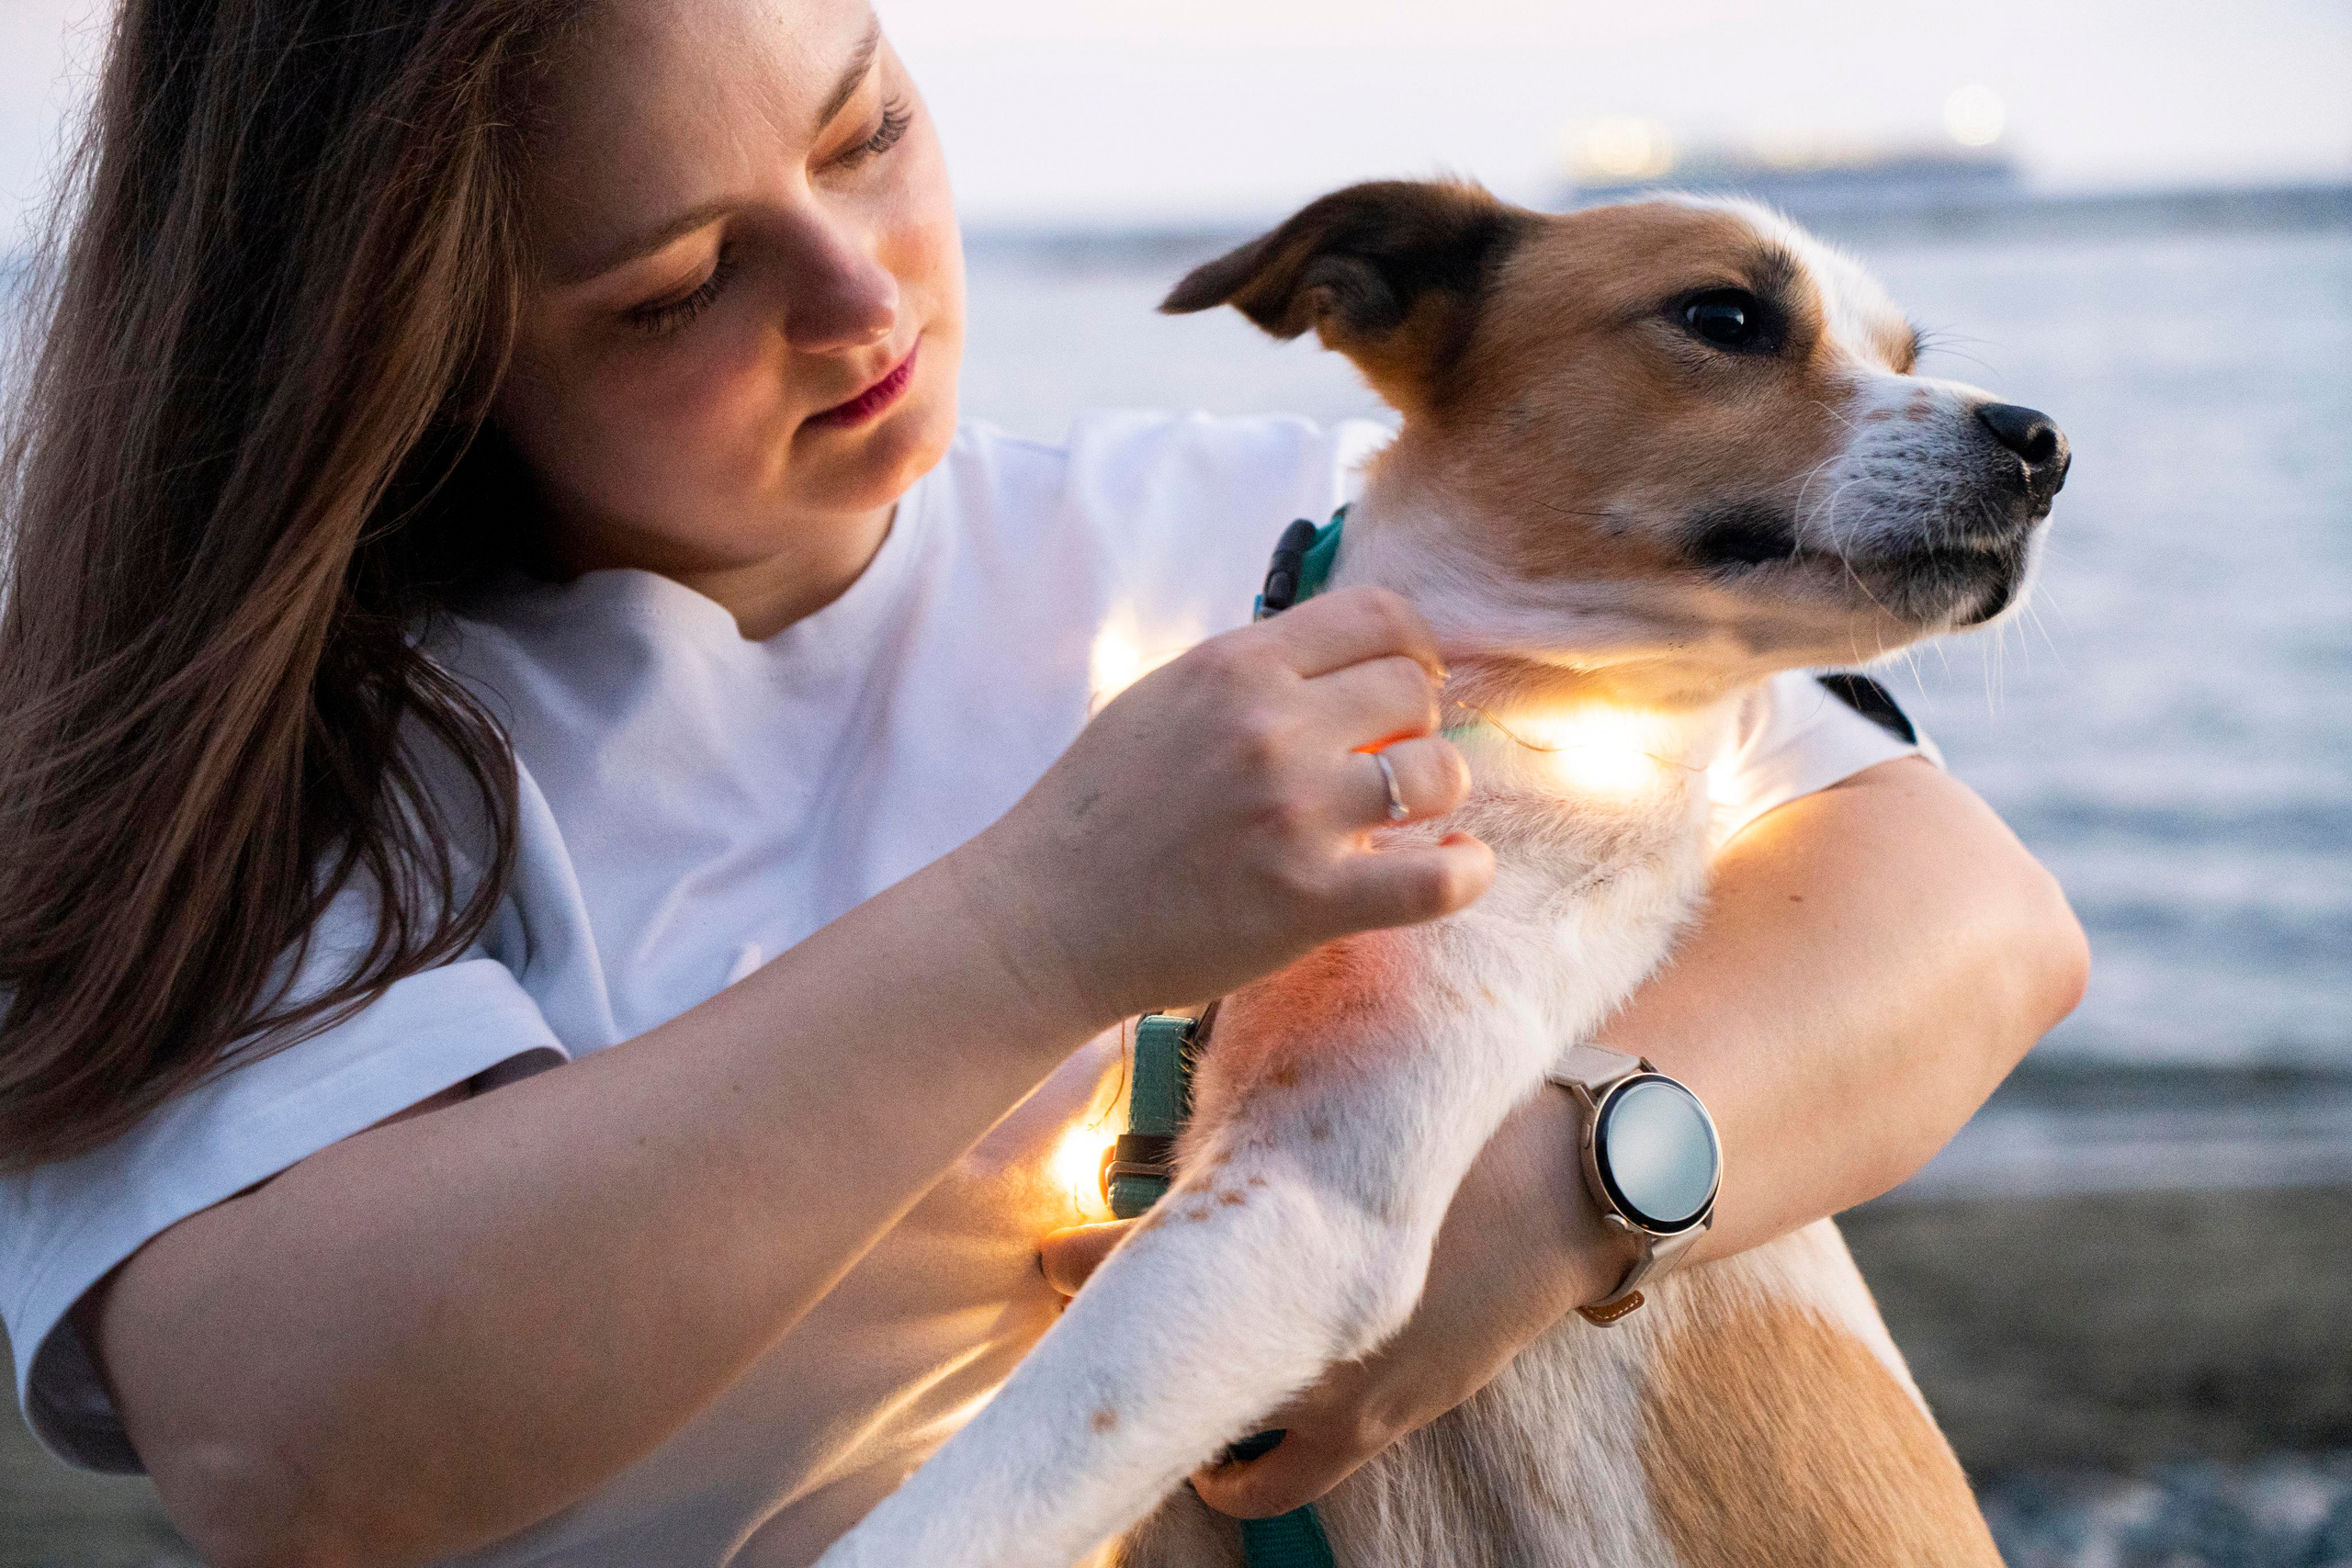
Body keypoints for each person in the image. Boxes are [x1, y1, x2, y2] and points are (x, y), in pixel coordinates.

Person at [0, 2, 2087, 1564]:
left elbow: (1970, 924)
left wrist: (1544, 1199)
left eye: (867, 127)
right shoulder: (302, 774)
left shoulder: (1308, 522)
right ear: (406, 338)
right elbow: (292, 1446)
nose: (861, 289)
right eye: (674, 285)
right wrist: (1043, 921)